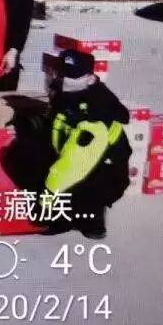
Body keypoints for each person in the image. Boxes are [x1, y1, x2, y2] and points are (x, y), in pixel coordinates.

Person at [38, 50, 131, 239]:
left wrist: (47, 196)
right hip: (71, 151)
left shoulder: (100, 103)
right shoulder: (62, 91)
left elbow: (74, 162)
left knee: (89, 180)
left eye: (74, 77)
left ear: (90, 77)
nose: (67, 81)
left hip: (104, 158)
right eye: (64, 75)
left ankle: (93, 223)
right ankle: (62, 218)